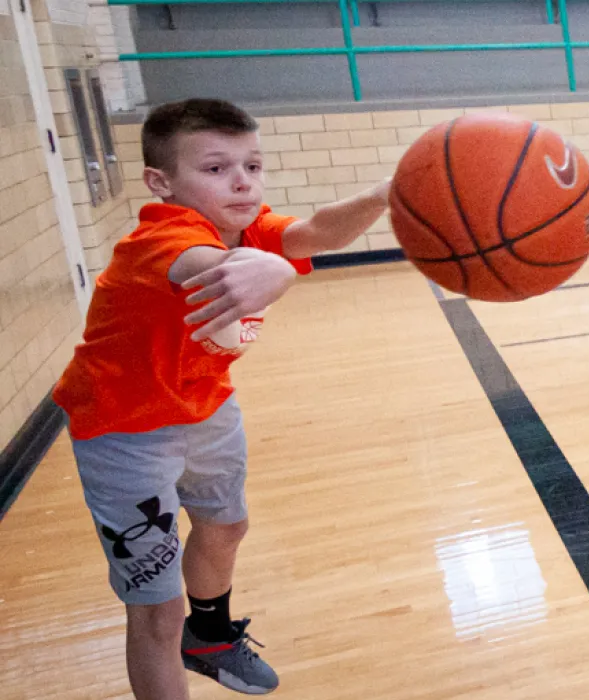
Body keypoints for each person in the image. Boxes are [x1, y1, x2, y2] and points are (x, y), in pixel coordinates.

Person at [53, 97, 391, 698]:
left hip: (206, 406)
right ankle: (177, 635)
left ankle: (207, 637)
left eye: (252, 165)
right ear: (163, 182)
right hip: (122, 430)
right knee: (155, 610)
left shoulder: (245, 225)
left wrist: (387, 192)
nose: (242, 181)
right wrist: (274, 270)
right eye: (215, 169)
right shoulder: (163, 240)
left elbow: (315, 232)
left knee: (226, 526)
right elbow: (214, 267)